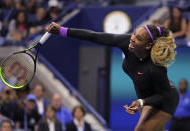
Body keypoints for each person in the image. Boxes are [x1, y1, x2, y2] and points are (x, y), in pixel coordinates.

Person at [46, 22, 179, 131]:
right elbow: (94, 36)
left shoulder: (156, 67)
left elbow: (163, 95)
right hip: (146, 99)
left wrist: (141, 102)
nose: (132, 38)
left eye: (138, 38)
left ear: (148, 45)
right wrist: (63, 31)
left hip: (164, 99)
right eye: (134, 34)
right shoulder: (127, 43)